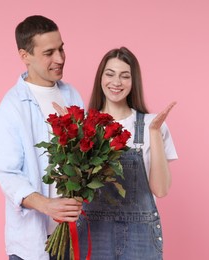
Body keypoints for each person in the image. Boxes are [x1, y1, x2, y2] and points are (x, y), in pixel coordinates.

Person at [0, 15, 84, 260]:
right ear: (25, 56)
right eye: (49, 52)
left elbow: (83, 157)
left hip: (74, 236)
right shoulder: (12, 106)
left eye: (62, 48)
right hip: (33, 245)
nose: (60, 58)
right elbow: (8, 174)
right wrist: (47, 205)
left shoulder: (72, 95)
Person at [76, 46, 178, 259]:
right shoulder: (84, 126)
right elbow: (73, 193)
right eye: (110, 74)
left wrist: (154, 133)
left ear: (134, 82)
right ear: (100, 78)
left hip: (140, 238)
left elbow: (160, 190)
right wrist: (71, 134)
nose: (116, 82)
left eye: (124, 76)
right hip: (94, 235)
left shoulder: (153, 124)